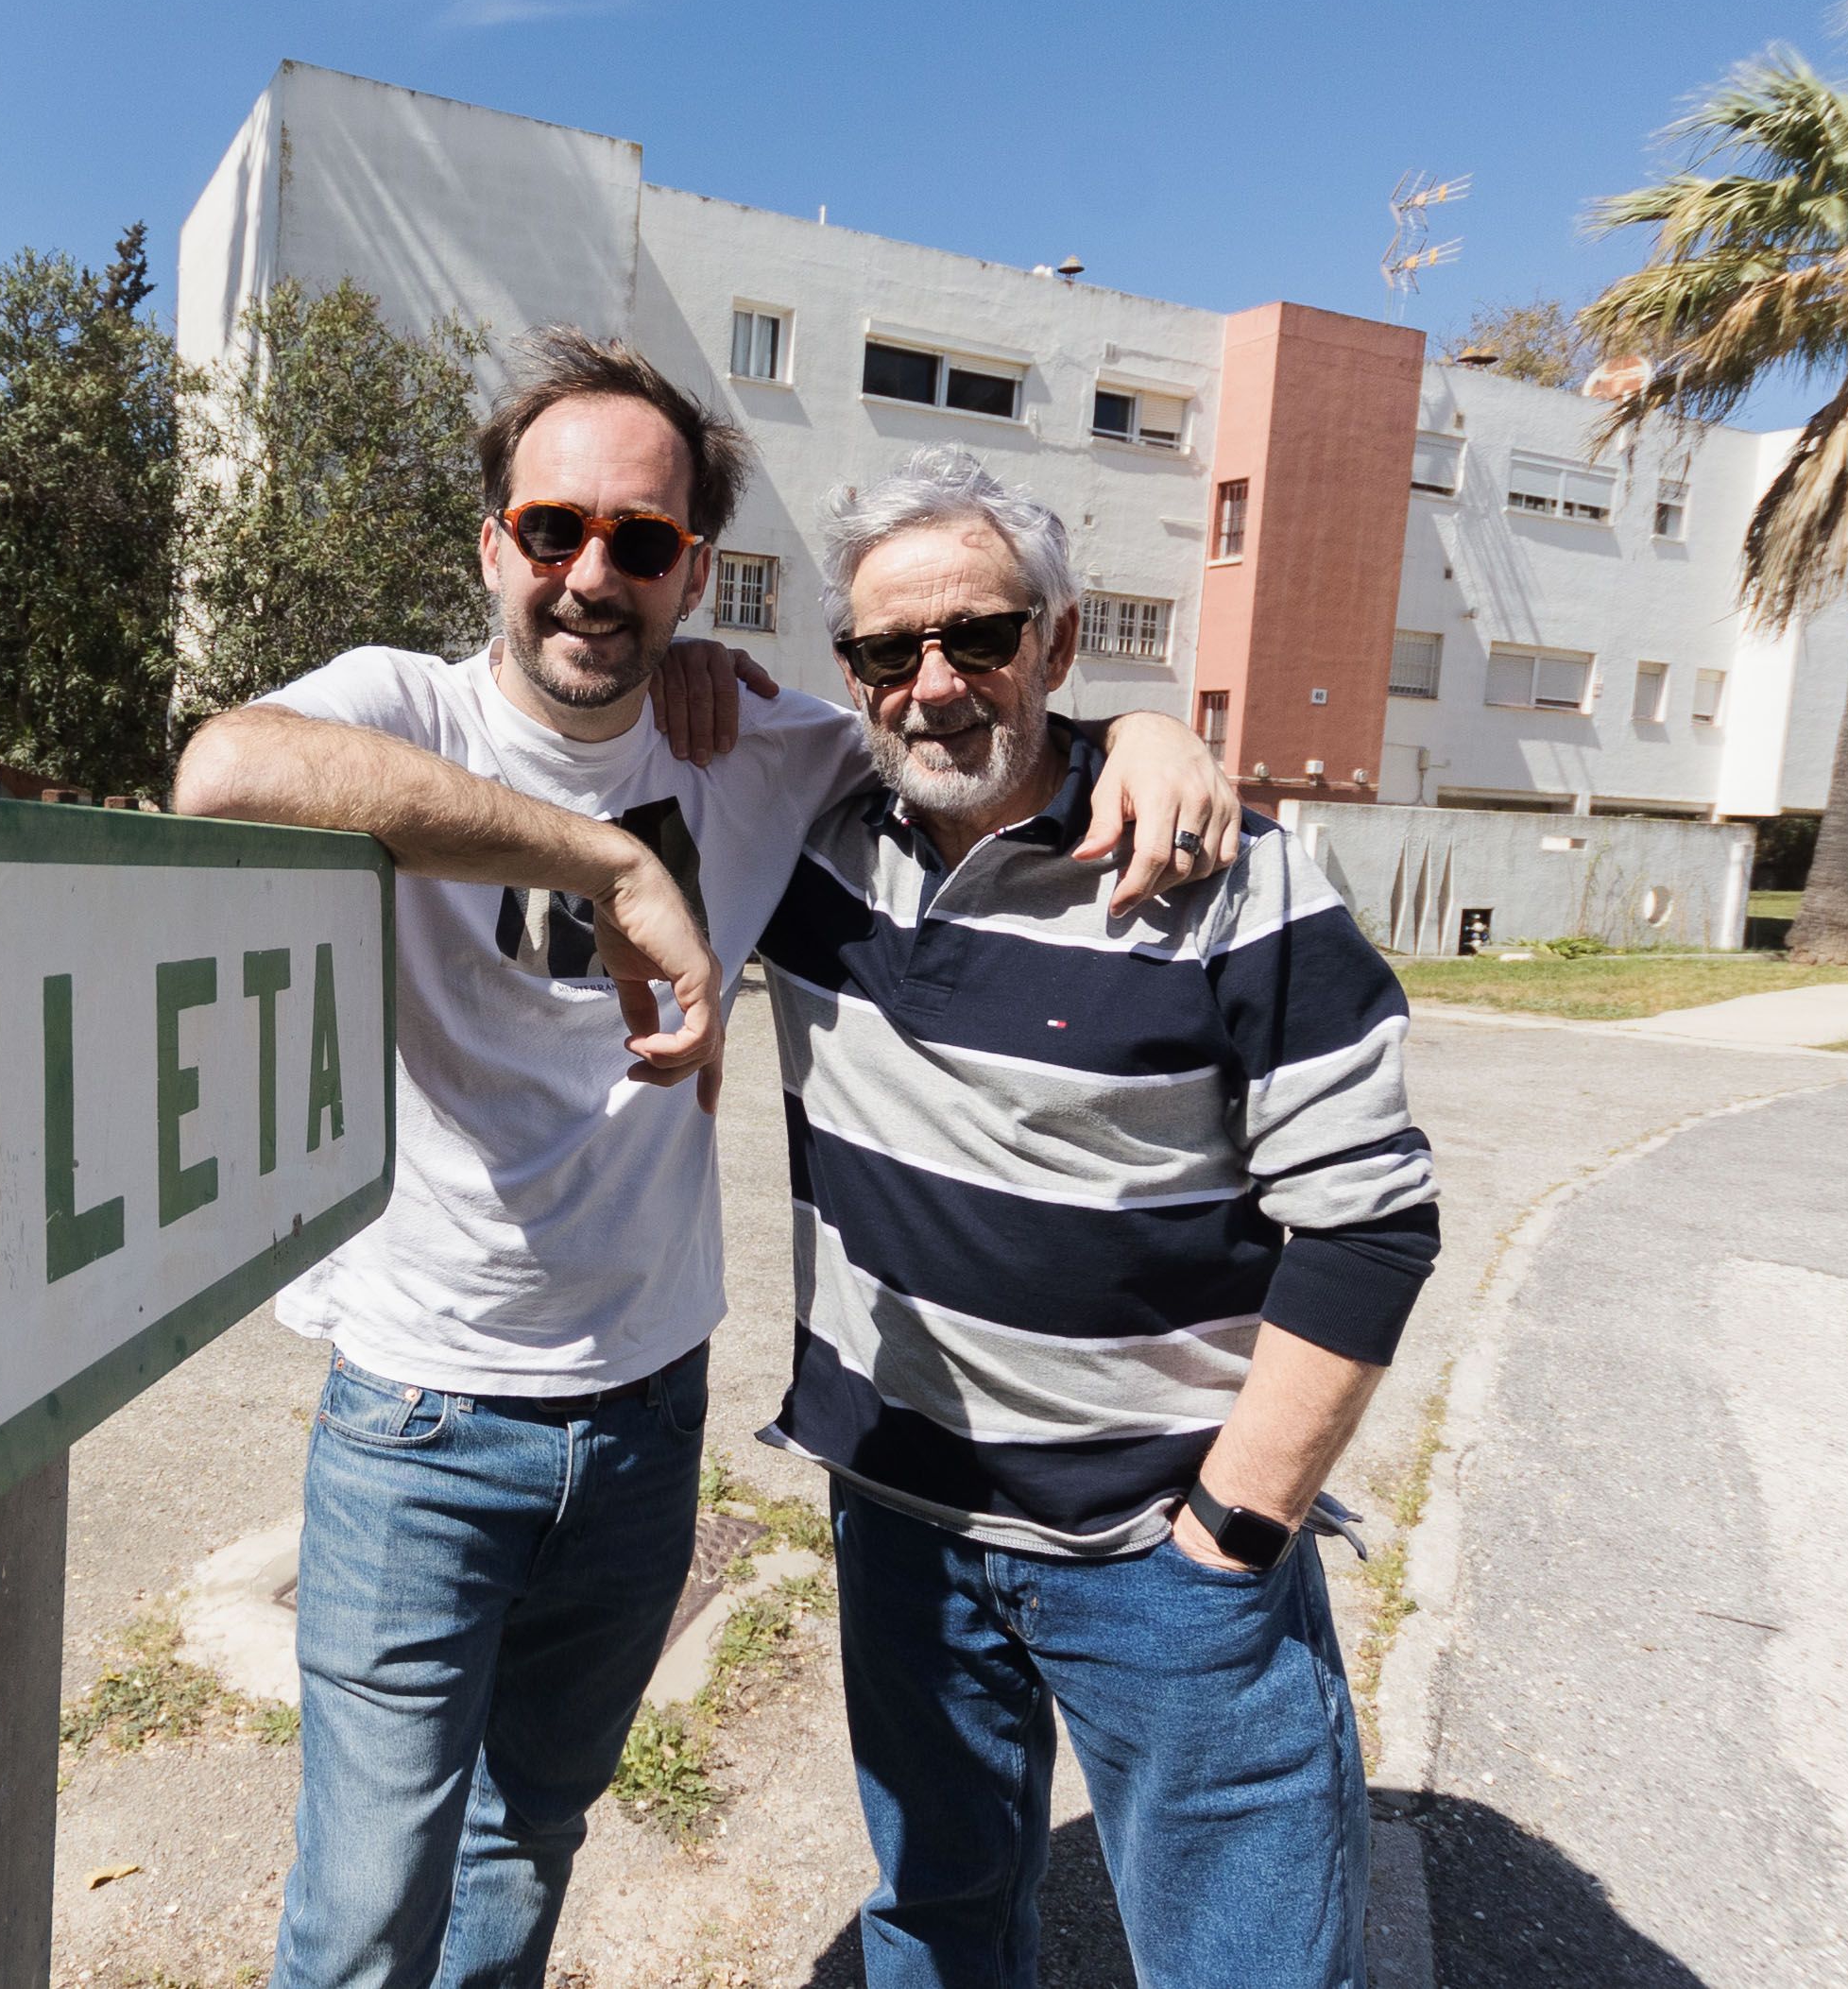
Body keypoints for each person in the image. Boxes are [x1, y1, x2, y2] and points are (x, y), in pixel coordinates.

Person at [171, 331, 1240, 1989]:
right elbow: (222, 774)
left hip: (647, 1408)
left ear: (695, 573)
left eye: (642, 542)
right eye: (555, 530)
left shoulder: (760, 743)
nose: (591, 573)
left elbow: (968, 723)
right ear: (494, 548)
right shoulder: (412, 704)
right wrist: (605, 858)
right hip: (421, 1417)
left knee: (530, 1842)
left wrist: (1151, 731)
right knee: (368, 1899)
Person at [754, 446, 1439, 1987]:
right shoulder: (801, 850)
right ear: (850, 671)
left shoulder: (1235, 880)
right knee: (933, 1924)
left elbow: (1371, 1221)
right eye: (886, 650)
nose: (932, 685)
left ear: (1058, 645)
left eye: (980, 638)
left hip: (1162, 1555)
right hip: (907, 1528)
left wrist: (1232, 1533)